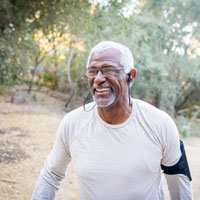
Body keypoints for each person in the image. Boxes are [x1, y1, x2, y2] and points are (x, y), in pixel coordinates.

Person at [31, 41, 193, 200]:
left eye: (108, 70)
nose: (98, 78)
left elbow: (179, 180)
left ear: (131, 76)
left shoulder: (160, 123)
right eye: (92, 71)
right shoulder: (72, 124)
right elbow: (51, 174)